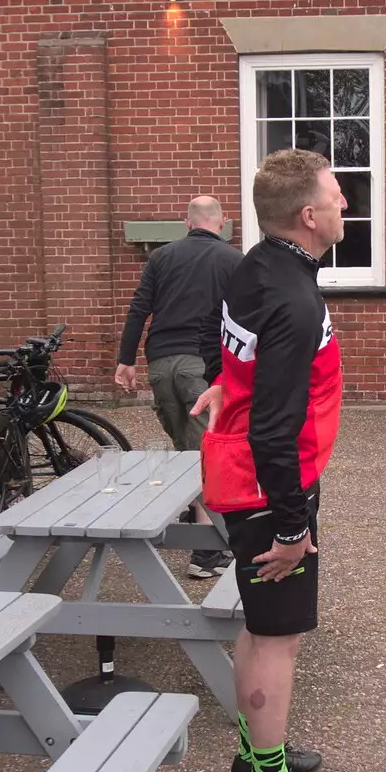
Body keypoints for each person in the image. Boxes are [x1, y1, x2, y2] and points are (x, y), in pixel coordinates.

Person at [190, 149, 354, 772]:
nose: (347, 204)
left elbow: (237, 350)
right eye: (338, 196)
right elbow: (276, 430)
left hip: (249, 473)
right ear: (309, 215)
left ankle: (257, 752)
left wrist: (226, 380)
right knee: (279, 634)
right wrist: (293, 526)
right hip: (269, 485)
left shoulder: (253, 268)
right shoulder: (291, 295)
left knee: (261, 625)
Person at [116, 195, 241, 578]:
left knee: (187, 448)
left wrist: (125, 361)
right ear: (221, 224)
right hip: (201, 365)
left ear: (187, 223)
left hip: (160, 365)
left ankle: (196, 517)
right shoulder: (234, 260)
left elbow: (139, 308)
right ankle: (206, 554)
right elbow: (244, 319)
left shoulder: (161, 258)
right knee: (207, 453)